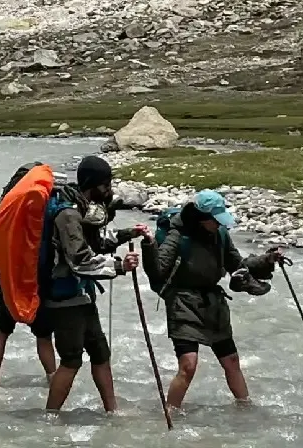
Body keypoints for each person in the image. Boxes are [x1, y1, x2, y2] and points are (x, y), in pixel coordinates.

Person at [141, 190, 286, 412]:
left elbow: (238, 266)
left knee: (232, 361)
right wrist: (148, 245)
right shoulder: (177, 235)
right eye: (216, 220)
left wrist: (268, 259)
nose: (220, 224)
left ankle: (246, 410)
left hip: (213, 304)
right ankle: (170, 414)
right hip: (183, 303)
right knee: (188, 365)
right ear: (201, 217)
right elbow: (157, 270)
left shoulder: (221, 235)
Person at [43, 155, 148, 413]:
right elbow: (80, 260)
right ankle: (50, 418)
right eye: (105, 184)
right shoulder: (67, 214)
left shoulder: (82, 208)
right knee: (71, 360)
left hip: (83, 295)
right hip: (64, 298)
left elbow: (97, 243)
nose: (108, 190)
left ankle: (113, 411)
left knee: (101, 354)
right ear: (91, 183)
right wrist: (120, 267)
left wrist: (127, 234)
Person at [0, 162, 58, 384]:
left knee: (2, 330)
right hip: (36, 276)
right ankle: (52, 378)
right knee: (43, 335)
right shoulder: (46, 201)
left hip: (11, 276)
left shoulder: (9, 203)